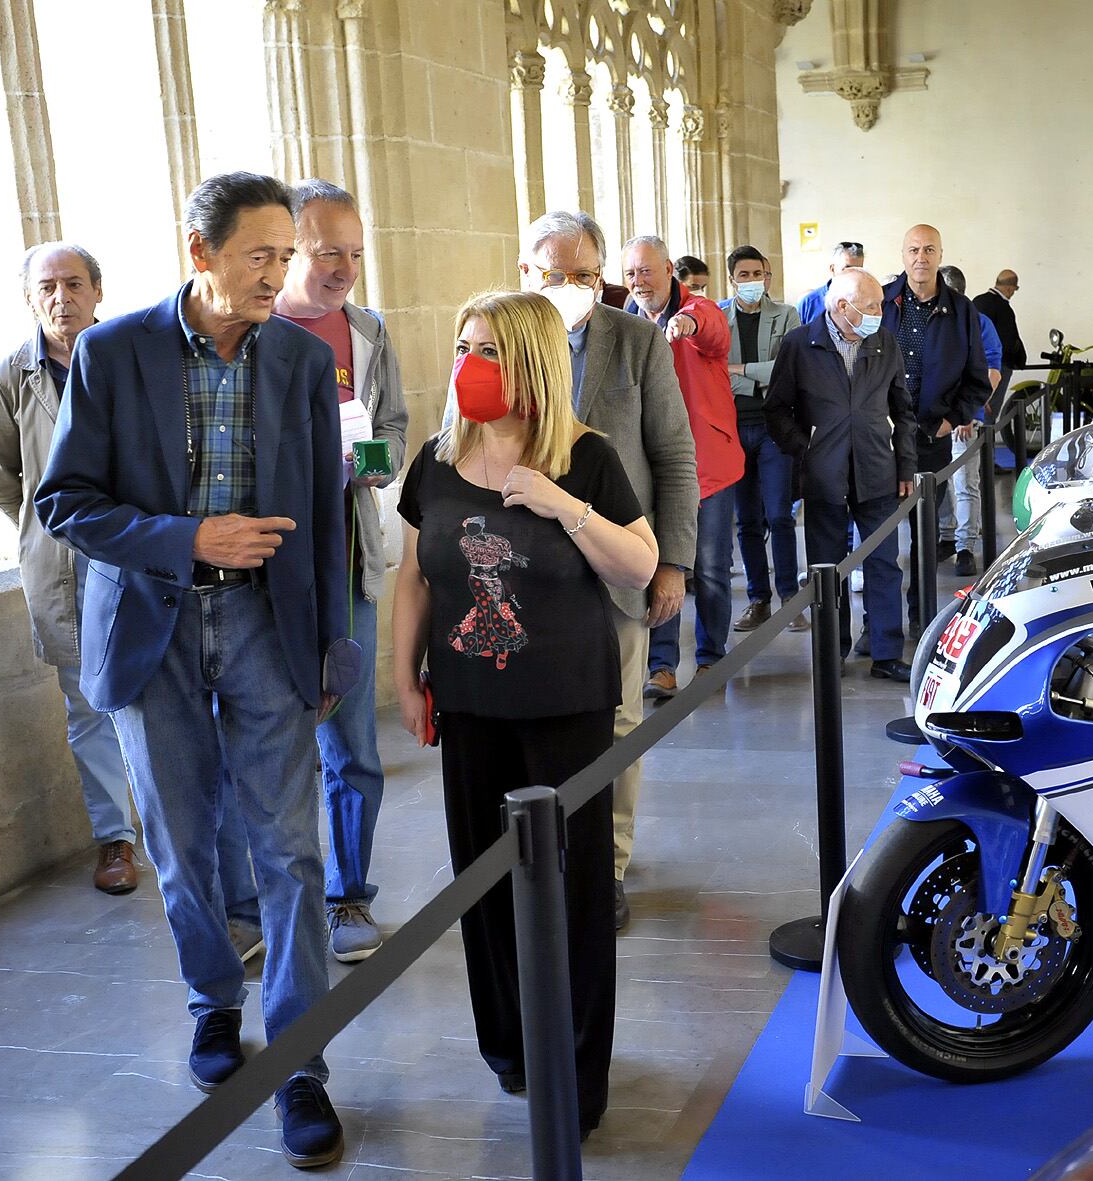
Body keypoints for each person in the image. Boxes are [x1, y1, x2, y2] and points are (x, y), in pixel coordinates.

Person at [34, 171, 350, 1168]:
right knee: (180, 845)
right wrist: (186, 536)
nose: (280, 273)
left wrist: (333, 643)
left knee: (291, 851)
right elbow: (65, 502)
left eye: (286, 256)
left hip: (268, 628)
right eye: (262, 254)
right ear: (199, 251)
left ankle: (301, 1059)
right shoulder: (115, 353)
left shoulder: (302, 358)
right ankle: (214, 1003)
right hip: (151, 631)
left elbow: (328, 514)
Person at [392, 289, 658, 1128]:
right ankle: (509, 1046)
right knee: (484, 884)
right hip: (469, 704)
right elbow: (414, 577)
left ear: (535, 361)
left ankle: (577, 1073)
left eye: (492, 350)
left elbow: (639, 566)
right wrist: (406, 678)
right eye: (465, 345)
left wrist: (561, 505)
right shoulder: (433, 461)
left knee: (573, 895)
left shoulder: (587, 458)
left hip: (565, 708)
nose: (472, 363)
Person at [517, 210, 696, 930]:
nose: (571, 287)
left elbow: (675, 457)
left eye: (586, 275)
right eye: (555, 275)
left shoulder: (637, 342)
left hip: (619, 565)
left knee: (618, 723)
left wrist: (674, 563)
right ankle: (540, 852)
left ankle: (606, 864)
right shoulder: (498, 337)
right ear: (528, 272)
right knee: (538, 723)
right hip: (526, 573)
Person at [271, 178, 408, 962]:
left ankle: (349, 896)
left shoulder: (368, 327)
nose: (346, 268)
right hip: (266, 564)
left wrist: (366, 463)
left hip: (349, 558)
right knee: (268, 737)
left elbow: (390, 427)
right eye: (329, 252)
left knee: (352, 736)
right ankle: (260, 902)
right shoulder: (253, 329)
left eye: (355, 252)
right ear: (289, 247)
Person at [0, 242, 139, 896]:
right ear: (28, 297)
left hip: (138, 555)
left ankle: (179, 827)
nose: (60, 297)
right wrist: (59, 526)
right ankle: (116, 841)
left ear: (98, 291)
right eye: (46, 286)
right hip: (62, 569)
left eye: (73, 283)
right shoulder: (7, 376)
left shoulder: (134, 359)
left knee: (165, 697)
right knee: (88, 706)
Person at [765, 268, 915, 680]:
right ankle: (833, 651)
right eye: (871, 307)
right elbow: (776, 410)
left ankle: (886, 653)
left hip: (877, 471)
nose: (879, 313)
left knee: (884, 563)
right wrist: (805, 447)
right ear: (843, 307)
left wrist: (905, 465)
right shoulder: (799, 344)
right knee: (828, 568)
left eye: (880, 305)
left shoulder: (883, 342)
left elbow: (903, 410)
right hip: (824, 475)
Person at [622, 235, 742, 702]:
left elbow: (710, 327)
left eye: (646, 271)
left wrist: (686, 323)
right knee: (658, 565)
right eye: (630, 274)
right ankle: (661, 666)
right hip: (646, 466)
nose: (638, 282)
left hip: (705, 464)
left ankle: (712, 657)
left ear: (669, 269)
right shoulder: (625, 322)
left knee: (710, 567)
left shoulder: (698, 309)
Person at [880, 225, 990, 631]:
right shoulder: (883, 301)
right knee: (879, 542)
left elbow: (978, 378)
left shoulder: (962, 310)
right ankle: (881, 629)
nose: (920, 257)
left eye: (929, 250)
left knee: (924, 539)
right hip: (881, 440)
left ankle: (921, 621)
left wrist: (952, 419)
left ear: (940, 255)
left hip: (930, 438)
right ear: (903, 255)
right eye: (913, 249)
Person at [720, 244, 803, 632]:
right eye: (745, 275)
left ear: (767, 277)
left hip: (774, 427)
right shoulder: (718, 318)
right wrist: (754, 375)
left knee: (779, 515)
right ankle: (759, 598)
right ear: (732, 279)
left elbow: (785, 370)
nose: (753, 282)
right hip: (733, 430)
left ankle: (789, 596)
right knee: (747, 522)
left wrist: (739, 370)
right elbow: (714, 374)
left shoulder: (786, 315)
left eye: (759, 275)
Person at [936, 265, 1004, 577]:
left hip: (963, 421)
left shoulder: (979, 322)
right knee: (937, 484)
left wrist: (967, 412)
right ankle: (947, 537)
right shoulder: (931, 319)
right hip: (932, 422)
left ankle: (965, 546)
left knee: (964, 484)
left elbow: (991, 372)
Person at [973, 268, 1026, 420]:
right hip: (998, 365)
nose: (1013, 293)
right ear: (1010, 287)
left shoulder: (977, 301)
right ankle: (986, 442)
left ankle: (975, 440)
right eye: (1014, 290)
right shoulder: (1004, 308)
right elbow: (1009, 341)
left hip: (975, 363)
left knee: (977, 404)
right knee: (991, 409)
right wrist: (1018, 360)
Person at [794, 240, 865, 323]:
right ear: (832, 269)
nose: (853, 274)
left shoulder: (868, 301)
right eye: (847, 268)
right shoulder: (809, 303)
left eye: (858, 270)